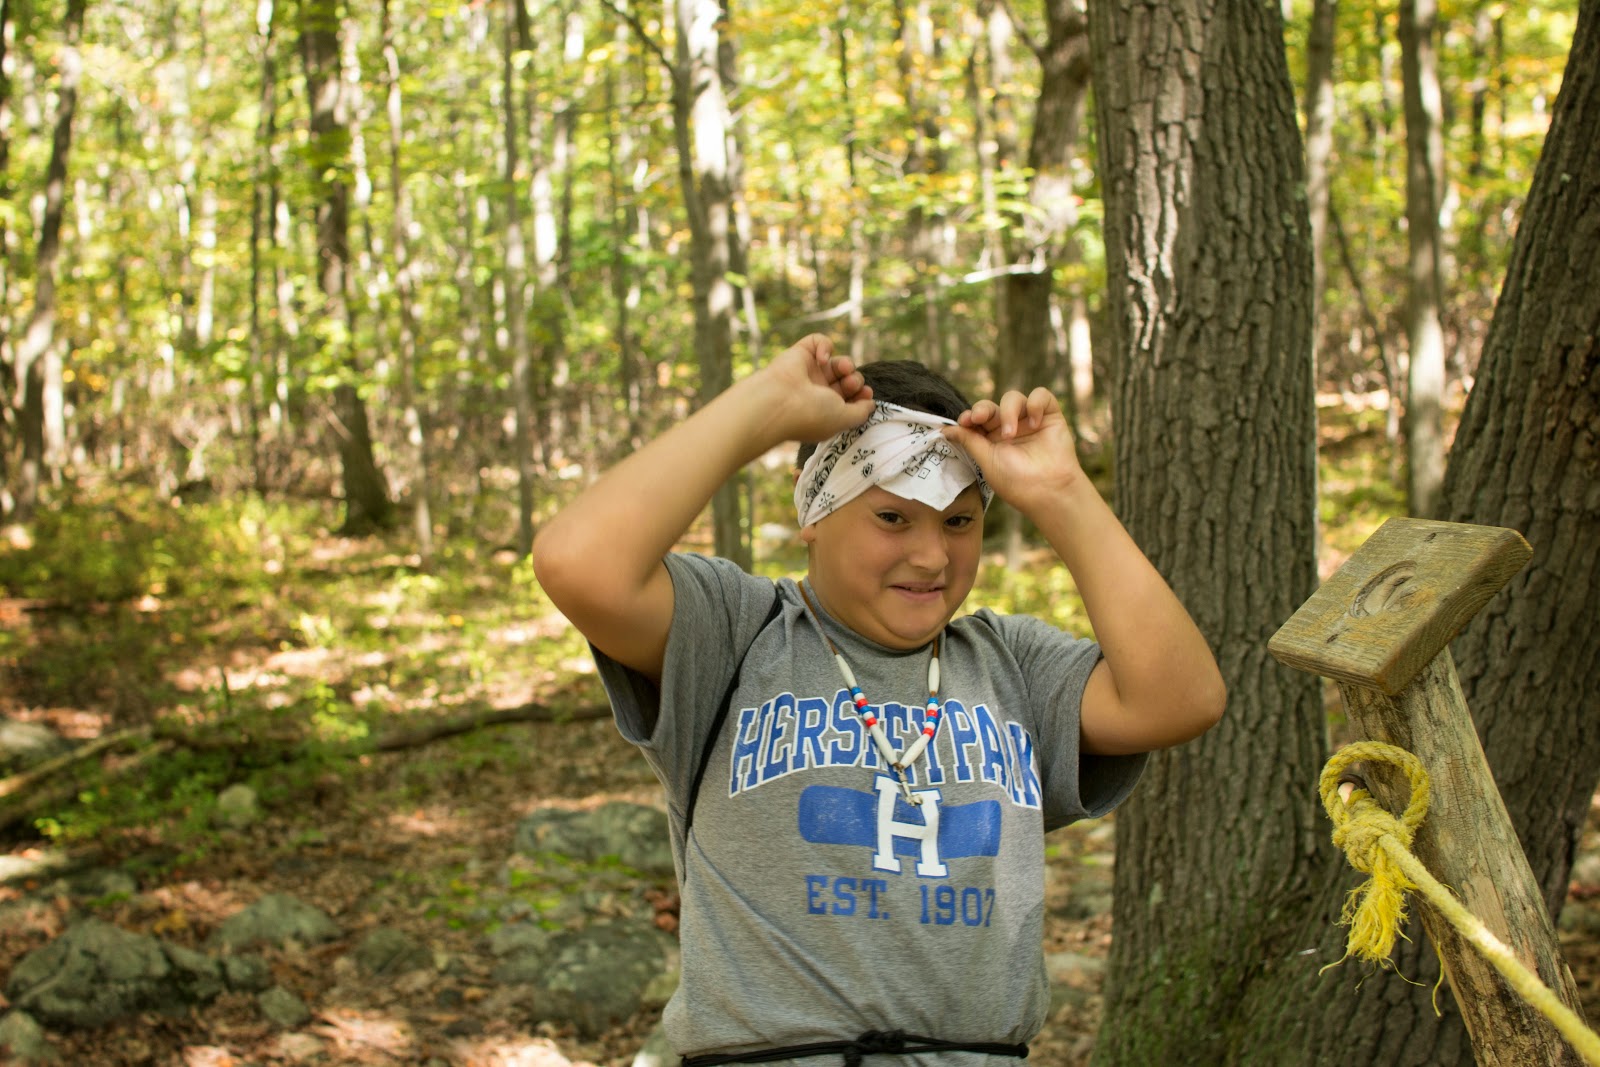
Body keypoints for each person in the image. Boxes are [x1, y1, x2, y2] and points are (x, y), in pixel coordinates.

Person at [531, 334, 1225, 1065]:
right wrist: (761, 409)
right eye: (893, 517)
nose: (932, 556)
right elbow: (578, 562)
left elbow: (1181, 697)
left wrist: (1062, 492)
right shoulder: (735, 635)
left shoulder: (1010, 665)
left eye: (960, 521)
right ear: (815, 514)